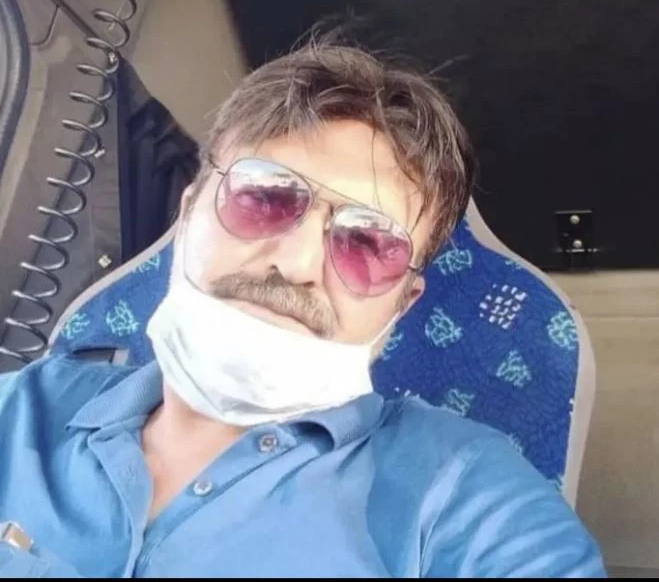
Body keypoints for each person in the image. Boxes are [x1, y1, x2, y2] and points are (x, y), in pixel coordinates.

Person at [0, 32, 607, 578]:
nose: (295, 263)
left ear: (402, 304)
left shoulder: (466, 499)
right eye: (263, 198)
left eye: (368, 244)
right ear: (187, 215)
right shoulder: (23, 407)